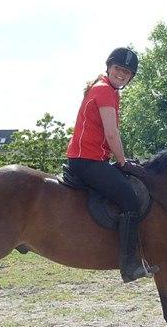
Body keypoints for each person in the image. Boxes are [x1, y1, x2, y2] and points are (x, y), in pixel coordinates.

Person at [66, 47, 159, 283]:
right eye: (118, 68)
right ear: (109, 67)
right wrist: (123, 161)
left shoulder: (105, 89)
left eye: (127, 72)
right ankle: (129, 265)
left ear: (131, 77)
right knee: (129, 199)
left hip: (90, 159)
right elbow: (111, 133)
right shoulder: (105, 91)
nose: (121, 74)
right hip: (87, 160)